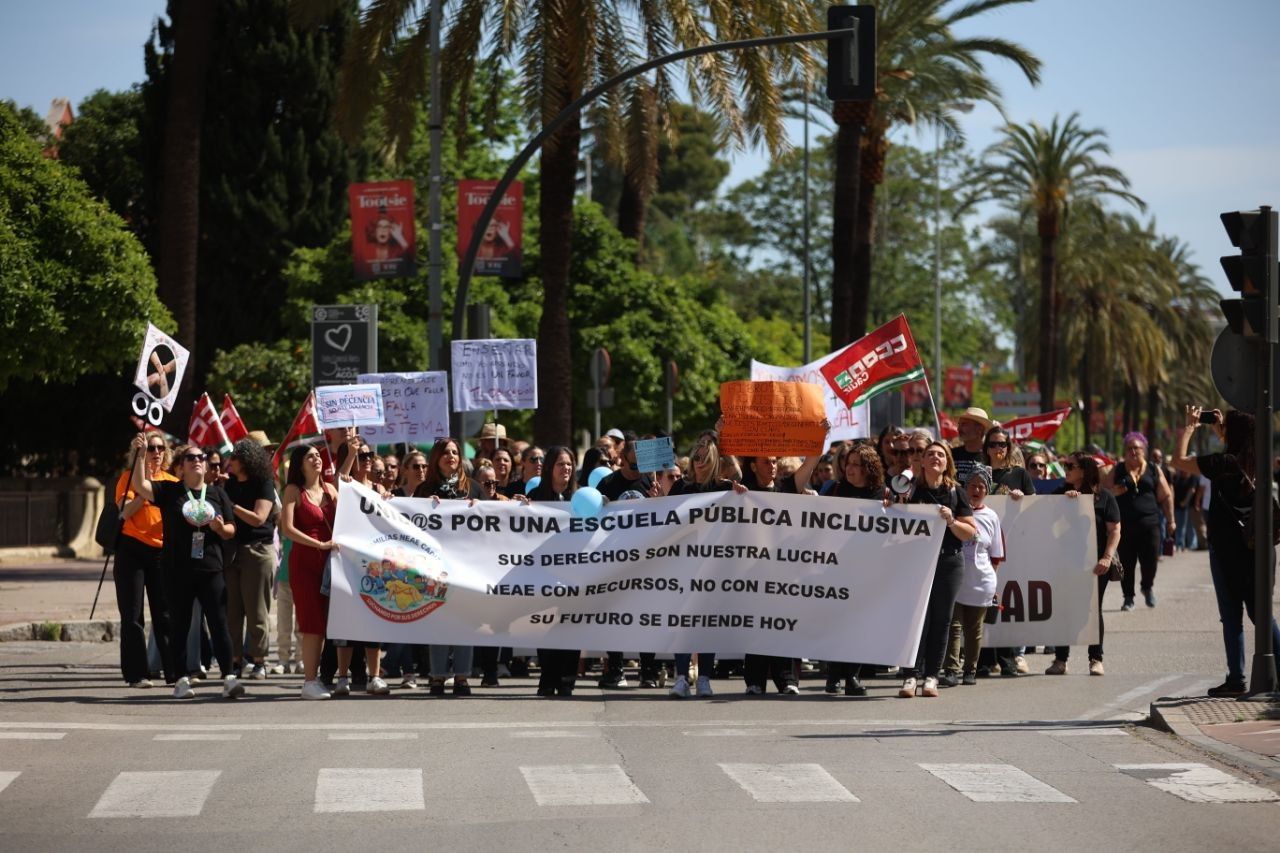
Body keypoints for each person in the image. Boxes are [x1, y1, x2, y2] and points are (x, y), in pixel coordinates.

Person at [1172, 407, 1280, 696]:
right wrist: (1225, 429)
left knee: (1231, 617)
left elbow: (1178, 461)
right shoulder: (1260, 461)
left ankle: (1236, 679)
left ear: (1231, 433)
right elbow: (1237, 447)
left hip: (1226, 550)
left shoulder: (1223, 462)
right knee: (1262, 614)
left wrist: (1191, 428)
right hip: (1259, 547)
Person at [129, 435, 242, 700]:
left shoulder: (217, 493)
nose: (197, 462)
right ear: (180, 467)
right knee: (179, 625)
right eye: (190, 458)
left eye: (201, 458)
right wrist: (140, 455)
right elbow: (139, 485)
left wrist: (218, 527)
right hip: (177, 569)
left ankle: (229, 677)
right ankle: (180, 679)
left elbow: (231, 530)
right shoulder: (170, 491)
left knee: (219, 623)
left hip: (211, 568)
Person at [901, 441, 977, 698]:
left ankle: (931, 676)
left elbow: (969, 532)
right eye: (930, 454)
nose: (935, 457)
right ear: (921, 461)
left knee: (942, 620)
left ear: (948, 463)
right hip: (917, 563)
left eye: (941, 455)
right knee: (915, 619)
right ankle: (910, 675)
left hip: (948, 562)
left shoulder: (957, 493)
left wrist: (951, 520)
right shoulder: (911, 490)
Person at [666, 440, 735, 698]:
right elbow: (666, 519)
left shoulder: (725, 489)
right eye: (697, 457)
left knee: (708, 623)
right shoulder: (680, 487)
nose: (700, 463)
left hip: (713, 566)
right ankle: (682, 676)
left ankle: (704, 676)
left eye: (706, 458)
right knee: (683, 622)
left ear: (716, 461)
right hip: (684, 565)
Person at [414, 437, 479, 696]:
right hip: (435, 568)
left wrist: (481, 507)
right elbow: (407, 519)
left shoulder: (472, 488)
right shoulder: (423, 490)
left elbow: (499, 512)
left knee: (464, 622)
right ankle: (438, 677)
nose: (451, 456)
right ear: (436, 458)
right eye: (446, 452)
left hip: (465, 567)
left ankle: (462, 677)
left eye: (455, 452)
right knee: (438, 620)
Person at [1045, 453, 1121, 676]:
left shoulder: (1104, 497)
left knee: (1092, 609)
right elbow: (1043, 518)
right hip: (1065, 563)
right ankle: (1061, 660)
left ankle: (1095, 659)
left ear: (1085, 470)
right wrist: (1064, 504)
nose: (1065, 469)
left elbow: (1114, 529)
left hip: (1096, 565)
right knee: (1064, 609)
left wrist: (1107, 557)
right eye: (1065, 465)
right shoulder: (1060, 494)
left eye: (1070, 466)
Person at [113, 435, 178, 688]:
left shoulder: (172, 482)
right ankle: (137, 674)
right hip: (131, 550)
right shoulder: (128, 478)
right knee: (132, 615)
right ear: (140, 452)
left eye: (161, 448)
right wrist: (145, 490)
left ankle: (175, 671)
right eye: (151, 448)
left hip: (162, 553)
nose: (157, 452)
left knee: (165, 613)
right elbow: (125, 512)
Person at [823, 443, 887, 696]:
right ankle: (833, 674)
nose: (850, 469)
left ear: (868, 468)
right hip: (837, 567)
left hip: (867, 568)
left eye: (856, 465)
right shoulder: (835, 490)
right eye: (847, 464)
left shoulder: (882, 494)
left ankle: (851, 675)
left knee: (860, 624)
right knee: (838, 622)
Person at [280, 444, 339, 700]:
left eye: (318, 455)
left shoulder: (331, 489)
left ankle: (319, 678)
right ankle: (309, 682)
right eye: (309, 457)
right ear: (299, 464)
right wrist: (319, 544)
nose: (316, 459)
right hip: (305, 562)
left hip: (330, 561)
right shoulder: (294, 490)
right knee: (312, 622)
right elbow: (287, 529)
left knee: (327, 623)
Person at [525, 446, 581, 697]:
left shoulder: (581, 498)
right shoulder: (536, 497)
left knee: (570, 626)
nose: (566, 469)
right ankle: (547, 680)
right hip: (544, 574)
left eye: (569, 464)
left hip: (574, 575)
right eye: (561, 464)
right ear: (550, 469)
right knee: (545, 626)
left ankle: (567, 681)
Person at [942, 466, 1004, 687]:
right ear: (965, 488)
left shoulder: (991, 517)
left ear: (987, 491)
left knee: (974, 630)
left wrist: (992, 582)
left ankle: (970, 669)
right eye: (972, 485)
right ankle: (951, 669)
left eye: (981, 486)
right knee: (953, 626)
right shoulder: (953, 512)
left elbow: (996, 555)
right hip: (955, 579)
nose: (976, 490)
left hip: (981, 582)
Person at [223, 439, 278, 680]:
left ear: (245, 460)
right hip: (232, 551)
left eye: (234, 457)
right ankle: (235, 660)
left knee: (257, 611)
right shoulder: (228, 484)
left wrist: (231, 505)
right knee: (232, 611)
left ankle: (259, 661)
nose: (230, 461)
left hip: (257, 551)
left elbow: (258, 518)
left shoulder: (264, 483)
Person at [1109, 431, 1174, 610]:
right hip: (1125, 525)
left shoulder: (1153, 469)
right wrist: (1115, 491)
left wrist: (1171, 521)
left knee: (1151, 560)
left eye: (1136, 448)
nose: (1133, 452)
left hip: (1150, 523)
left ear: (1143, 450)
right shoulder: (1118, 469)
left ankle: (1147, 587)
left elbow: (1166, 496)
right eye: (1129, 448)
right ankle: (1128, 597)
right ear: (1124, 451)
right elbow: (1104, 493)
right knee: (1127, 563)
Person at [951, 407, 995, 485]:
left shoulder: (991, 456)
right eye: (959, 424)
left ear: (980, 429)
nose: (958, 429)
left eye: (964, 424)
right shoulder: (951, 454)